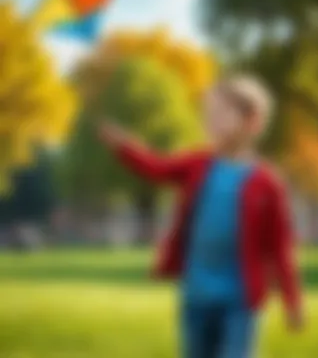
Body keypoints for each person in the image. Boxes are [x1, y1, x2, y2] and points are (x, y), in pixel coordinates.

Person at [97, 75, 303, 358]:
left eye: (221, 113)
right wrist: (124, 146)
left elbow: (280, 246)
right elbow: (156, 168)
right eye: (208, 114)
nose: (212, 121)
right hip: (197, 298)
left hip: (240, 302)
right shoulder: (197, 165)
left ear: (252, 121)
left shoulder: (267, 184)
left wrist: (292, 302)